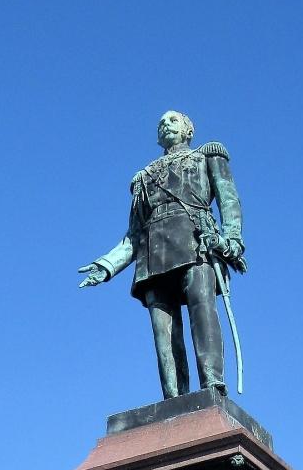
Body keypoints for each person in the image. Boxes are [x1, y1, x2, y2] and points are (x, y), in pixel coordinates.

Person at [79, 110, 245, 400]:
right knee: (163, 332)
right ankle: (174, 398)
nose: (166, 125)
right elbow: (134, 235)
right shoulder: (144, 178)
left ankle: (212, 384)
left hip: (196, 243)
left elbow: (229, 201)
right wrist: (107, 266)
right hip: (153, 253)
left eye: (173, 120)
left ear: (188, 130)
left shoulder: (206, 156)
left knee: (202, 312)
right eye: (161, 123)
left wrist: (230, 240)